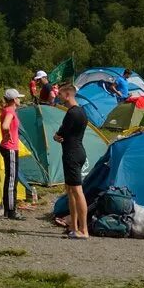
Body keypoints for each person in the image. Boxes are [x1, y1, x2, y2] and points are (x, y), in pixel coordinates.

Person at [54, 83, 90, 239]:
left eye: (60, 95)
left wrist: (56, 137)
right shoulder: (82, 111)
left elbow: (61, 133)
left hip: (72, 154)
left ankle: (84, 230)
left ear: (68, 95)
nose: (58, 97)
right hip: (79, 151)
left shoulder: (72, 113)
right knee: (70, 191)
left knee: (77, 191)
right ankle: (73, 226)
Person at [0, 88, 23, 220]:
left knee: (10, 178)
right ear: (14, 100)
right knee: (12, 179)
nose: (20, 99)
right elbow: (5, 126)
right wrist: (8, 135)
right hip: (10, 148)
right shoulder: (10, 111)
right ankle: (11, 210)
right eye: (18, 98)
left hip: (7, 147)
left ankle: (9, 209)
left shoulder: (7, 110)